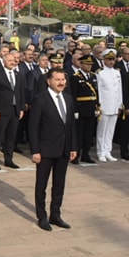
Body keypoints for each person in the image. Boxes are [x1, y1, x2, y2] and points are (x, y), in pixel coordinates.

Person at [29, 69, 78, 232]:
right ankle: (41, 216)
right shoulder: (40, 99)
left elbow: (70, 126)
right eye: (57, 79)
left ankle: (55, 215)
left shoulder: (69, 99)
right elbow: (33, 127)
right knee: (41, 185)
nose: (61, 82)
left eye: (63, 79)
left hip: (63, 150)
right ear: (49, 81)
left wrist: (72, 146)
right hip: (45, 150)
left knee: (59, 184)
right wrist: (35, 150)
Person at [0, 52, 26, 169]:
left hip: (15, 110)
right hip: (2, 110)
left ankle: (8, 159)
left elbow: (21, 92)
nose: (12, 63)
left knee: (11, 136)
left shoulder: (18, 74)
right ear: (4, 62)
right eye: (9, 61)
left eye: (14, 61)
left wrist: (21, 108)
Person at [70, 54, 99, 164]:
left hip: (91, 108)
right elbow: (73, 95)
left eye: (90, 64)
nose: (89, 66)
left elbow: (96, 93)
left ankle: (86, 155)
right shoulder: (75, 77)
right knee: (79, 134)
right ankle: (76, 155)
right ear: (81, 64)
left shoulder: (93, 76)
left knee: (88, 134)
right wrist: (75, 110)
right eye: (86, 64)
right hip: (81, 109)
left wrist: (97, 106)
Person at [95, 51, 123, 162]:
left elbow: (119, 90)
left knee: (110, 130)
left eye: (113, 59)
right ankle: (100, 151)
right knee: (102, 130)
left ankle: (108, 151)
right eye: (109, 59)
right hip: (105, 105)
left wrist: (120, 104)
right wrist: (99, 106)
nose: (111, 62)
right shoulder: (100, 73)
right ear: (104, 60)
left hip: (115, 105)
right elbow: (99, 91)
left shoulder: (117, 73)